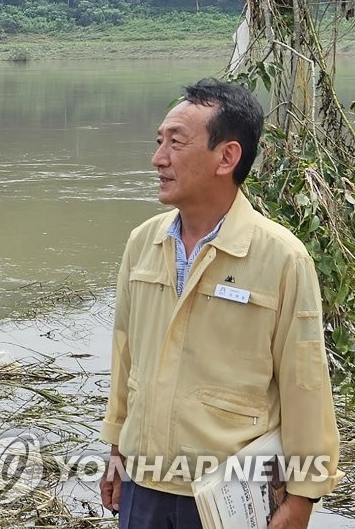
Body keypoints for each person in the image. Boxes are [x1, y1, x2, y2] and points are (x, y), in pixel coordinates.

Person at [99, 78, 342, 528]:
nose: (158, 158)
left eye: (176, 143)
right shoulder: (143, 243)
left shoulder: (281, 257)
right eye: (159, 142)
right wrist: (116, 449)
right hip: (143, 483)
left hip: (229, 493)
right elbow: (125, 356)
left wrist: (305, 495)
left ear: (227, 157)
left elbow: (304, 383)